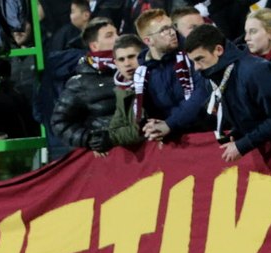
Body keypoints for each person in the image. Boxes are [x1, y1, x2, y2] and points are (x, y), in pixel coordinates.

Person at [184, 23, 271, 161]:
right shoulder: (211, 79)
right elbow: (253, 116)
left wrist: (243, 145)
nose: (196, 68)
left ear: (218, 50)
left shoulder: (256, 71)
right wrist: (238, 133)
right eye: (193, 61)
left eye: (199, 59)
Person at [134, 9, 211, 143]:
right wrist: (154, 128)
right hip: (174, 141)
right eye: (164, 29)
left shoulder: (193, 53)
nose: (171, 32)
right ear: (148, 40)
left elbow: (202, 93)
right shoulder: (143, 73)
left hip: (206, 133)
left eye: (171, 27)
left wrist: (170, 124)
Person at [50, 16, 119, 152]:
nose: (118, 38)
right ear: (94, 46)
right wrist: (88, 138)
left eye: (117, 33)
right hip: (106, 159)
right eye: (109, 36)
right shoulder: (80, 83)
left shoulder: (133, 70)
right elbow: (59, 122)